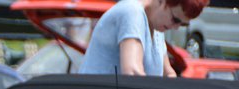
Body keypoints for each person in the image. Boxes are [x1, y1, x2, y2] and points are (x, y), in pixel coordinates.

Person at [79, 0, 208, 76]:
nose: (175, 27)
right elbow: (132, 72)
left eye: (182, 24)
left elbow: (168, 74)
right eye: (175, 19)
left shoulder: (157, 27)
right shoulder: (132, 13)